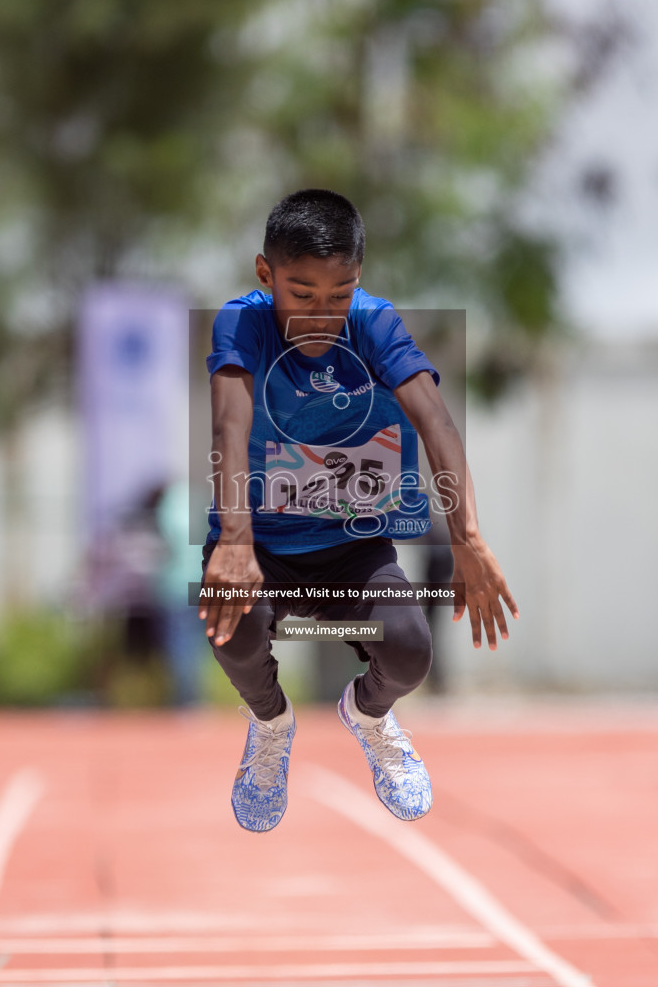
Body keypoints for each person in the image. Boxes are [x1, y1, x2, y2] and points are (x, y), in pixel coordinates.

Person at [199, 189, 518, 833]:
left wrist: (468, 537)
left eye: (339, 293)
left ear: (359, 280)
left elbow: (437, 423)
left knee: (408, 650)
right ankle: (270, 722)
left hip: (350, 546)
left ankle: (368, 715)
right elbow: (229, 425)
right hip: (258, 542)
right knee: (231, 626)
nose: (322, 313)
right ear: (265, 274)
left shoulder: (374, 324)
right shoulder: (242, 323)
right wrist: (234, 537)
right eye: (302, 292)